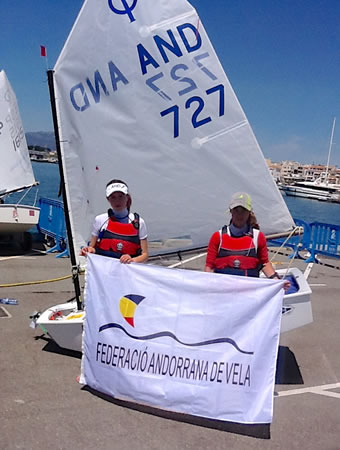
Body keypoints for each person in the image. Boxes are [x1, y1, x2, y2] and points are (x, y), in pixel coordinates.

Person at [204, 192, 290, 289]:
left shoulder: (258, 237)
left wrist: (277, 281)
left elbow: (264, 263)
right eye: (236, 210)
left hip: (249, 294)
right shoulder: (217, 237)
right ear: (230, 211)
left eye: (243, 210)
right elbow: (209, 267)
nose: (239, 214)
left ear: (249, 212)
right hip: (223, 292)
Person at [80, 179, 148, 264]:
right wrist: (88, 250)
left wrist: (131, 260)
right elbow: (92, 248)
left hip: (128, 272)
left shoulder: (139, 223)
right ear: (108, 199)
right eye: (113, 197)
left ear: (127, 197)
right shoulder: (100, 220)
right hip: (105, 271)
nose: (117, 201)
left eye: (120, 196)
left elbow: (144, 255)